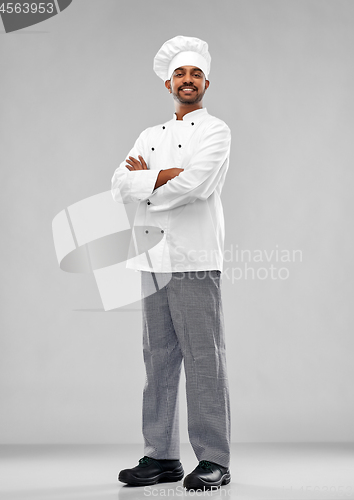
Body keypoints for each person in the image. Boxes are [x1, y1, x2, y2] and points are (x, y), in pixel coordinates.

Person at [111, 35, 231, 491]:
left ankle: (214, 459)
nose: (187, 80)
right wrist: (164, 178)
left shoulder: (217, 131)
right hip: (151, 256)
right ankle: (161, 456)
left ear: (205, 82)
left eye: (195, 73)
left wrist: (148, 184)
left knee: (204, 360)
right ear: (168, 84)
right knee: (157, 359)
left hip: (197, 257)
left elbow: (198, 185)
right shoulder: (148, 135)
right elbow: (120, 183)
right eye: (180, 74)